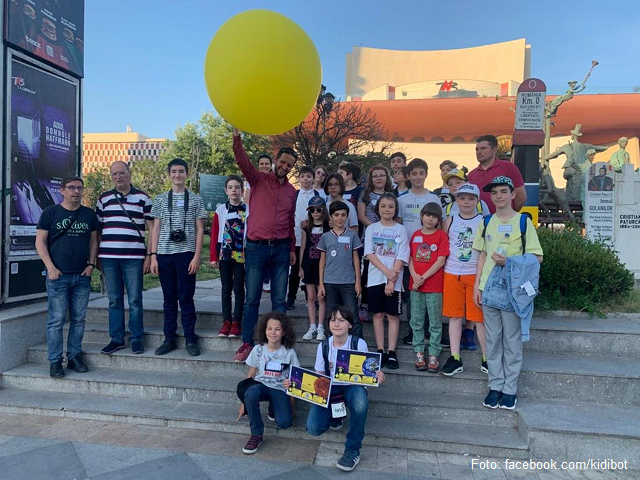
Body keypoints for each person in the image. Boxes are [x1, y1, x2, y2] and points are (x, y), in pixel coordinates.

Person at [472, 176, 543, 410]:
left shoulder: (523, 222)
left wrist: (509, 262)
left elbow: (537, 257)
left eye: (503, 191)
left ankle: (510, 389)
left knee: (512, 341)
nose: (498, 196)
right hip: (490, 290)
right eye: (494, 193)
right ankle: (495, 386)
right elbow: (481, 255)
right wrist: (477, 286)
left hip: (514, 291)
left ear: (513, 195)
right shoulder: (486, 222)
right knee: (492, 341)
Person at [232, 128, 297, 363]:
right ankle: (248, 343)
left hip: (280, 249)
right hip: (256, 248)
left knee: (279, 300)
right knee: (252, 299)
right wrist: (237, 137)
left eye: (289, 165)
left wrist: (291, 248)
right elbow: (242, 160)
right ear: (276, 160)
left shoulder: (291, 191)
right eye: (282, 162)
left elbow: (290, 221)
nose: (285, 167)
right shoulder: (258, 179)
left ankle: (278, 344)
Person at [306, 305, 385, 472]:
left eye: (342, 320)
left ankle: (353, 449)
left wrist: (376, 376)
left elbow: (367, 373)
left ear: (350, 325)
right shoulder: (324, 346)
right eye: (333, 320)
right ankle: (336, 416)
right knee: (313, 428)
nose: (336, 324)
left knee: (359, 401)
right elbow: (319, 376)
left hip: (352, 387)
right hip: (331, 389)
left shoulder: (359, 343)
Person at [35, 176, 99, 378]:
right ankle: (55, 361)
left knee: (79, 320)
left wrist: (91, 265)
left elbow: (94, 242)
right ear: (62, 190)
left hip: (81, 276)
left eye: (79, 188)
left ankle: (74, 356)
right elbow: (40, 242)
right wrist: (50, 268)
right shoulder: (50, 213)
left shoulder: (89, 215)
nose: (76, 191)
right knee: (56, 320)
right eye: (71, 188)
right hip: (58, 276)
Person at [149, 158, 207, 357]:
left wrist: (197, 256)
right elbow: (155, 228)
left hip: (186, 254)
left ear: (187, 174)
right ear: (169, 174)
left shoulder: (196, 199)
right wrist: (153, 255)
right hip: (165, 254)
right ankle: (169, 338)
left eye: (181, 171)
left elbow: (200, 230)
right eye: (173, 171)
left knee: (186, 298)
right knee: (169, 299)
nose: (177, 175)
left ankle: (190, 338)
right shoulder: (160, 199)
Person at [96, 161, 153, 356]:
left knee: (135, 299)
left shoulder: (143, 198)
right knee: (114, 300)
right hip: (109, 257)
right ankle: (116, 338)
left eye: (121, 173)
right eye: (114, 174)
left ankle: (137, 338)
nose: (118, 177)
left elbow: (152, 228)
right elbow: (98, 230)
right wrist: (96, 256)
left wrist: (149, 255)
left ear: (129, 173)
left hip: (134, 257)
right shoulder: (103, 199)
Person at [440, 184, 487, 376]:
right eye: (462, 198)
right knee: (454, 316)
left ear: (477, 200)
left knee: (479, 318)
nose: (466, 202)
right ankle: (455, 357)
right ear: (456, 200)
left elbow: (486, 249)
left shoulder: (483, 221)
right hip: (452, 273)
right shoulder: (450, 220)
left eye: (470, 198)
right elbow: (444, 245)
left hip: (474, 274)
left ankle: (486, 358)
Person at [240, 312, 299, 454]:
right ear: (264, 330)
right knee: (251, 392)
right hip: (260, 386)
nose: (273, 332)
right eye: (269, 328)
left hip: (279, 389)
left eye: (277, 329)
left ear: (284, 332)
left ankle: (274, 407)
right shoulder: (258, 349)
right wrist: (244, 403)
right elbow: (251, 374)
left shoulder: (289, 353)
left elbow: (296, 380)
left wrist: (292, 404)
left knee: (284, 423)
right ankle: (256, 434)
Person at [397, 158, 440, 345]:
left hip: (431, 256)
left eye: (421, 173)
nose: (417, 177)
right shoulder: (401, 199)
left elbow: (441, 226)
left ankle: (432, 330)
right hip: (409, 254)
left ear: (426, 174)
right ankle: (413, 331)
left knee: (431, 293)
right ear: (407, 176)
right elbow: (398, 224)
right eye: (413, 173)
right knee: (412, 293)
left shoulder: (434, 198)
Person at [364, 193, 409, 369]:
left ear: (395, 209)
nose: (387, 209)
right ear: (378, 209)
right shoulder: (372, 229)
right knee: (377, 314)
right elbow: (369, 253)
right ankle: (381, 350)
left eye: (390, 206)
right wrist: (386, 273)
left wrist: (392, 279)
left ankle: (391, 352)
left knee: (392, 315)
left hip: (395, 281)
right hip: (375, 278)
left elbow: (402, 255)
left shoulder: (401, 230)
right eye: (383, 206)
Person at [408, 202, 449, 373]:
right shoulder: (416, 235)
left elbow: (441, 260)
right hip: (415, 286)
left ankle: (433, 354)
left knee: (434, 322)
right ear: (421, 216)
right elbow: (410, 258)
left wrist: (423, 277)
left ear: (438, 220)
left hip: (433, 286)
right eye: (427, 215)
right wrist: (415, 277)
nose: (430, 219)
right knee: (416, 321)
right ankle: (419, 352)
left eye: (434, 216)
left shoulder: (441, 236)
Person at [317, 201, 363, 338]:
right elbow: (322, 261)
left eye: (343, 215)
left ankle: (357, 346)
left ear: (347, 217)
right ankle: (332, 345)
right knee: (332, 315)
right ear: (331, 217)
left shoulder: (352, 235)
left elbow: (356, 259)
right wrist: (321, 284)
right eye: (336, 215)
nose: (340, 218)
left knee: (352, 314)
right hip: (330, 282)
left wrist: (358, 282)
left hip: (348, 281)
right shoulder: (325, 236)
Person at [210, 174, 248, 338]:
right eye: (231, 187)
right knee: (226, 288)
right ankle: (226, 320)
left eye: (237, 187)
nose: (234, 190)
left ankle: (237, 322)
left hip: (241, 254)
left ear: (242, 190)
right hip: (224, 253)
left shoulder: (248, 209)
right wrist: (213, 256)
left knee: (239, 288)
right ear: (226, 190)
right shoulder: (221, 209)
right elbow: (214, 233)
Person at [357, 165, 394, 322]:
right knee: (368, 271)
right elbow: (361, 215)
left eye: (382, 175)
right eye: (375, 176)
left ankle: (385, 304)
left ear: (387, 178)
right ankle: (365, 303)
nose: (379, 178)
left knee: (386, 268)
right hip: (371, 236)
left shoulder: (392, 194)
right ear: (371, 179)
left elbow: (396, 214)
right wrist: (376, 228)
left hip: (389, 239)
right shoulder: (365, 193)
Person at [287, 165, 320, 310]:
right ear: (299, 178)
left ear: (313, 178)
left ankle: (311, 298)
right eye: (303, 176)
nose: (306, 179)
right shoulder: (295, 194)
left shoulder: (318, 195)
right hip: (296, 236)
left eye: (308, 176)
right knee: (294, 270)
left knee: (310, 268)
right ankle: (291, 297)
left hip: (312, 238)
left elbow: (320, 214)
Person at [468, 135, 526, 213]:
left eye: (483, 148)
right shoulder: (472, 175)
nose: (479, 152)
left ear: (494, 150)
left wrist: (510, 213)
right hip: (479, 221)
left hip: (504, 220)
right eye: (477, 149)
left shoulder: (508, 167)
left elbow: (521, 196)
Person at [300, 196, 330, 341]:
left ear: (324, 210)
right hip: (309, 264)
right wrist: (300, 266)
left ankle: (320, 327)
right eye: (312, 210)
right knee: (310, 297)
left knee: (321, 296)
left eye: (319, 209)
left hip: (323, 265)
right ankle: (312, 326)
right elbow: (304, 246)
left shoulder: (329, 227)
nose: (316, 213)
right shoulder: (306, 227)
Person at [245, 154, 273, 294]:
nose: (264, 166)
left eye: (266, 163)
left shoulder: (274, 181)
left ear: (271, 165)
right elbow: (247, 201)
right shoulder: (252, 180)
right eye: (261, 164)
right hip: (254, 222)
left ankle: (267, 279)